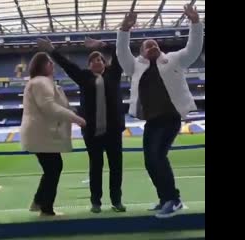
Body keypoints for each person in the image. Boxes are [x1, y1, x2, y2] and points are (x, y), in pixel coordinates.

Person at [116, 4, 203, 218]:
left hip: (170, 117)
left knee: (157, 156)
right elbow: (121, 53)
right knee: (150, 161)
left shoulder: (173, 59)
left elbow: (193, 49)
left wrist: (195, 23)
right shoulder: (136, 66)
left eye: (154, 44)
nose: (152, 46)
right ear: (142, 53)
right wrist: (124, 30)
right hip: (152, 121)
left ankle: (173, 199)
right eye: (147, 46)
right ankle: (165, 199)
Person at [37, 37, 126, 213]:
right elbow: (67, 65)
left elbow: (120, 51)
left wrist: (102, 45)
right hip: (92, 132)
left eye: (99, 59)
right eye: (93, 60)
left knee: (116, 167)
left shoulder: (113, 74)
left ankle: (116, 200)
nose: (97, 62)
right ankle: (96, 202)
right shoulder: (84, 77)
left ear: (105, 62)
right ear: (89, 65)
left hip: (113, 131)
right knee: (95, 167)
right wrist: (52, 50)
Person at [20, 52, 86, 216]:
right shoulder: (42, 82)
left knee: (53, 167)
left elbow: (55, 104)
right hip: (42, 133)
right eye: (49, 62)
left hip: (42, 133)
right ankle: (45, 208)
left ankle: (40, 202)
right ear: (41, 65)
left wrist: (71, 111)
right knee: (54, 167)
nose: (52, 65)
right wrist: (75, 118)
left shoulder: (40, 82)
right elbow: (48, 106)